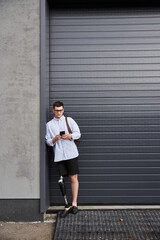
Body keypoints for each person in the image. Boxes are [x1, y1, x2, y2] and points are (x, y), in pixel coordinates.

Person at [45, 101, 81, 217]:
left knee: (73, 177)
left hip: (71, 153)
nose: (59, 112)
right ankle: (66, 205)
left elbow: (78, 134)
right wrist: (55, 139)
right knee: (62, 180)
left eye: (60, 110)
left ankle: (74, 203)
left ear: (63, 110)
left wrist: (69, 136)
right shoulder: (49, 125)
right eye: (56, 110)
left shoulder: (69, 120)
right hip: (59, 155)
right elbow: (48, 142)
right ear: (53, 111)